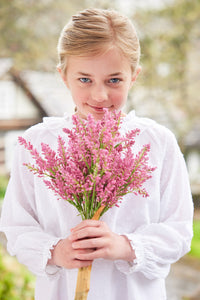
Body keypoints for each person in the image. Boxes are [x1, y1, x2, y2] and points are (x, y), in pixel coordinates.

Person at [0, 8, 193, 300]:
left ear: (134, 76)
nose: (100, 96)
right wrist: (55, 251)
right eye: (84, 79)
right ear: (64, 76)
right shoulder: (37, 144)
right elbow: (16, 227)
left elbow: (179, 230)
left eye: (114, 80)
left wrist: (126, 246)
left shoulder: (158, 143)